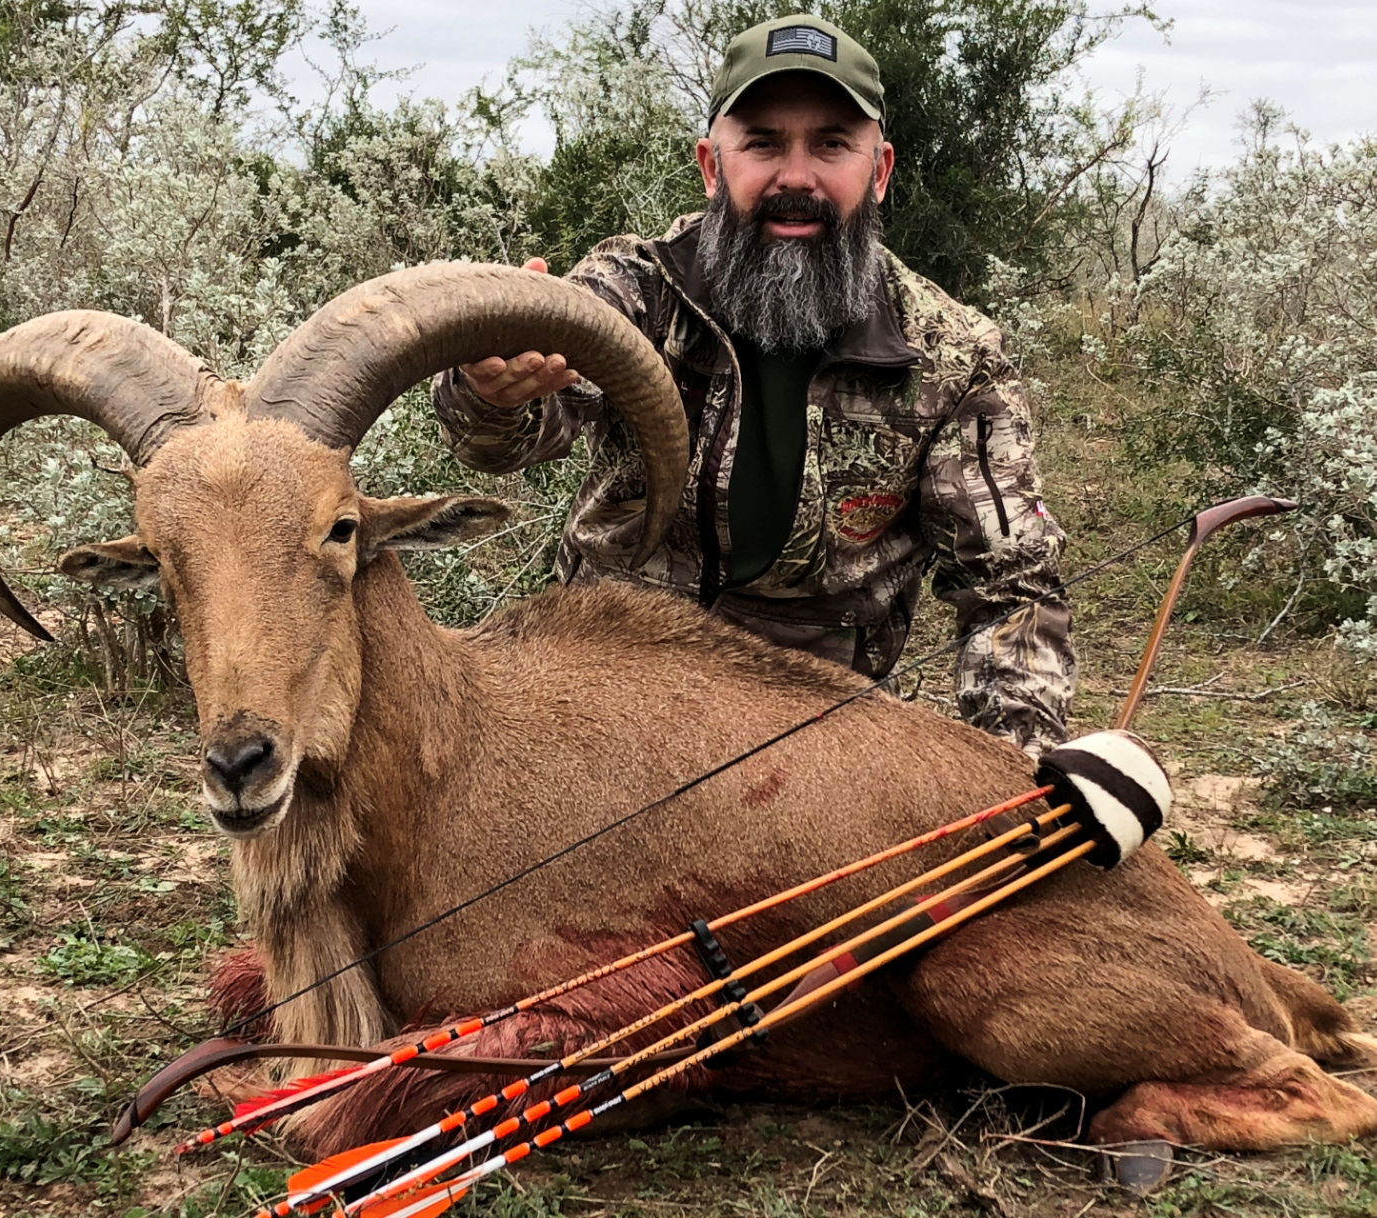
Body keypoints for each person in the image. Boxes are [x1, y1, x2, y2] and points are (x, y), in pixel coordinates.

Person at [432, 13, 1075, 757]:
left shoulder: (954, 358)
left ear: (881, 170)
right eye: (763, 142)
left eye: (832, 143)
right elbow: (505, 435)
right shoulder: (640, 287)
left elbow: (1011, 587)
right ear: (712, 166)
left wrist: (1021, 762)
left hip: (814, 724)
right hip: (602, 687)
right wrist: (491, 384)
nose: (795, 177)